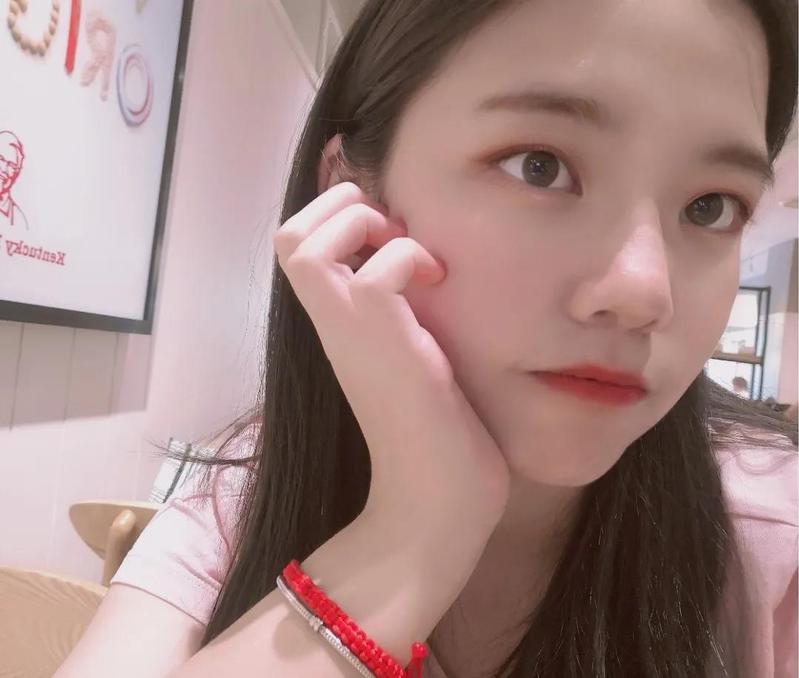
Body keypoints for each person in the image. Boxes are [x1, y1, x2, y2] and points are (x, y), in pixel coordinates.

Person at [55, 0, 798, 676]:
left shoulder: (773, 539)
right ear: (348, 196)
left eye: (711, 206)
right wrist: (411, 535)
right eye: (539, 167)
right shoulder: (237, 504)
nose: (644, 292)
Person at [0, 130, 29, 230]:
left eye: (11, 165)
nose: (4, 169)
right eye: (1, 158)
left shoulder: (20, 221)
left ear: (17, 173)